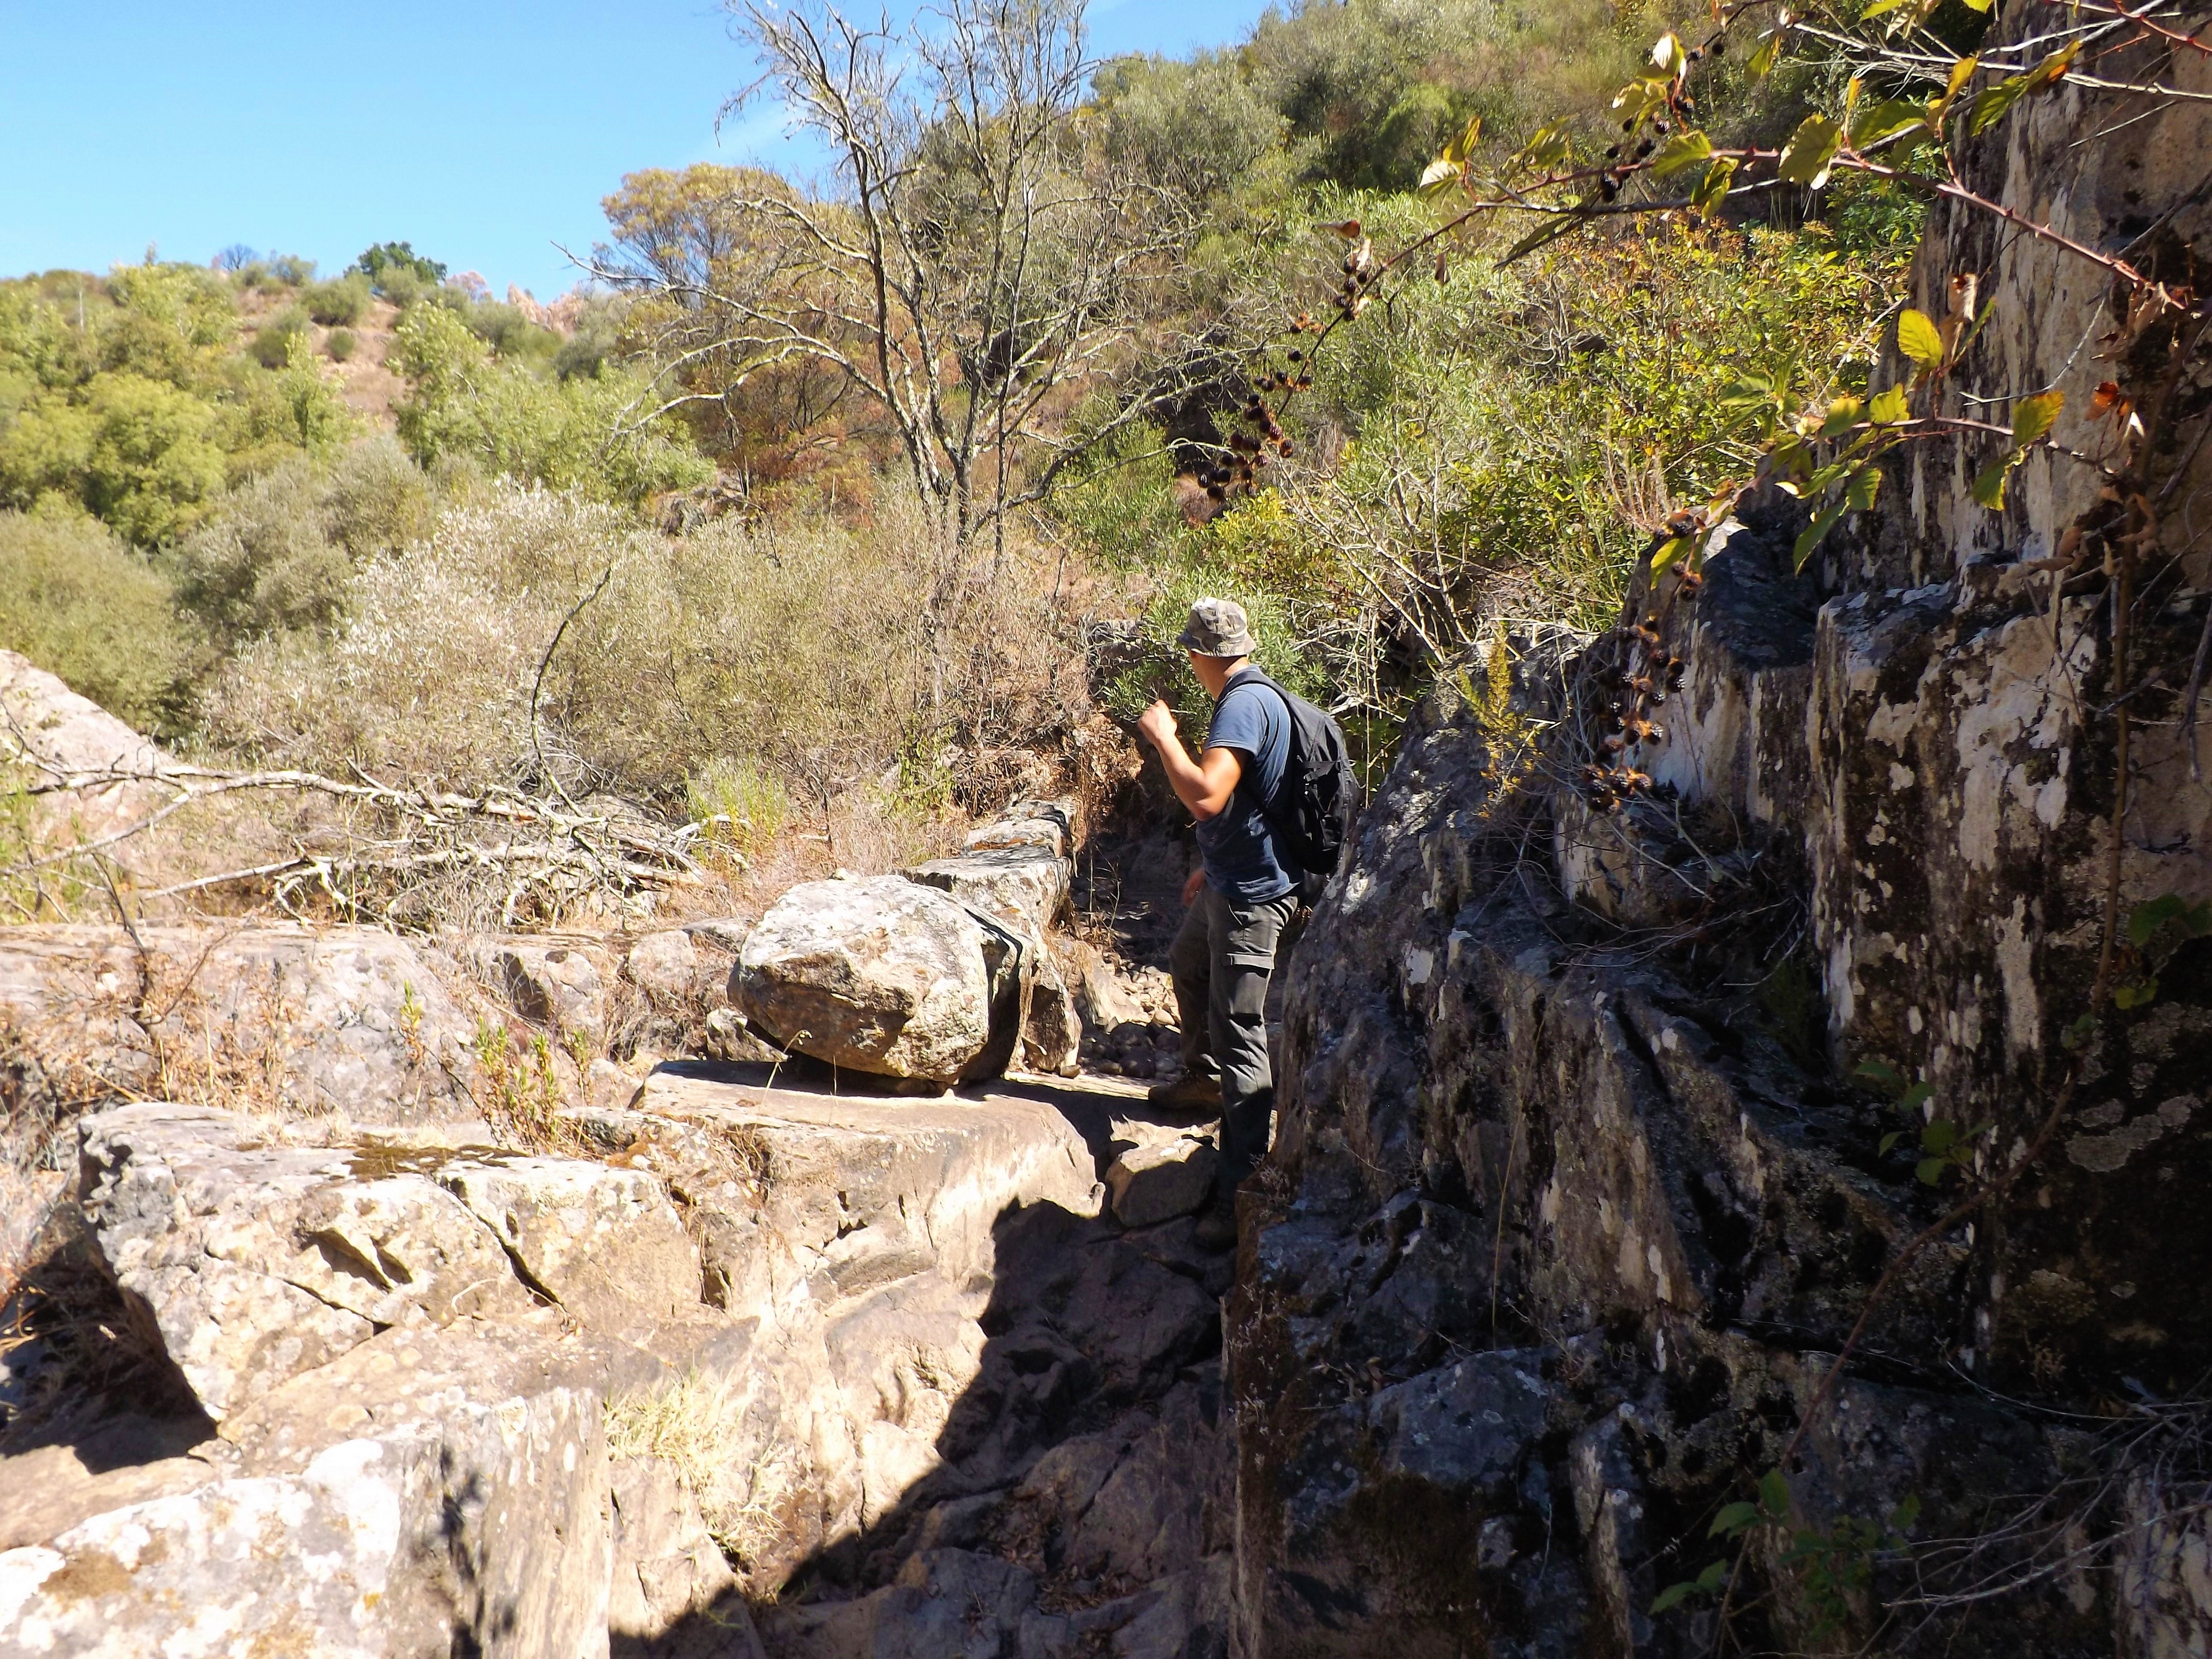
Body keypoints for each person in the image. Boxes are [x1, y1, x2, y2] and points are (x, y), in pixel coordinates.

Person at [1133, 597, 1300, 1249]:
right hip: (1232, 878)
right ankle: (1204, 1083)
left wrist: (1163, 737)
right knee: (1187, 961)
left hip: (1254, 897)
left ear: (1200, 654)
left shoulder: (1241, 705)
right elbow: (1251, 799)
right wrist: (1213, 863)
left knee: (1240, 1029)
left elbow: (1205, 794)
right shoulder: (1254, 697)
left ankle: (1243, 1188)